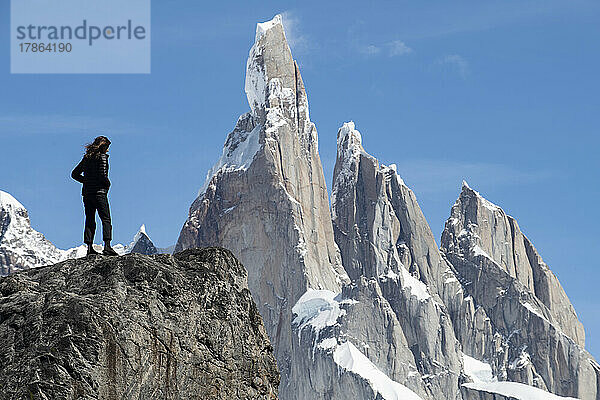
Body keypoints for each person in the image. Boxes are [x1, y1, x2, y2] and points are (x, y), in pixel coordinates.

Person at [71, 136, 118, 256]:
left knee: (90, 219)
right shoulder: (102, 157)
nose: (108, 150)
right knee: (106, 219)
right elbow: (103, 175)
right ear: (103, 146)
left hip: (87, 193)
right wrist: (107, 184)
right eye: (107, 147)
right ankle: (107, 246)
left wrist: (86, 181)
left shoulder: (86, 158)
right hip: (99, 193)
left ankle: (89, 247)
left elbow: (74, 174)